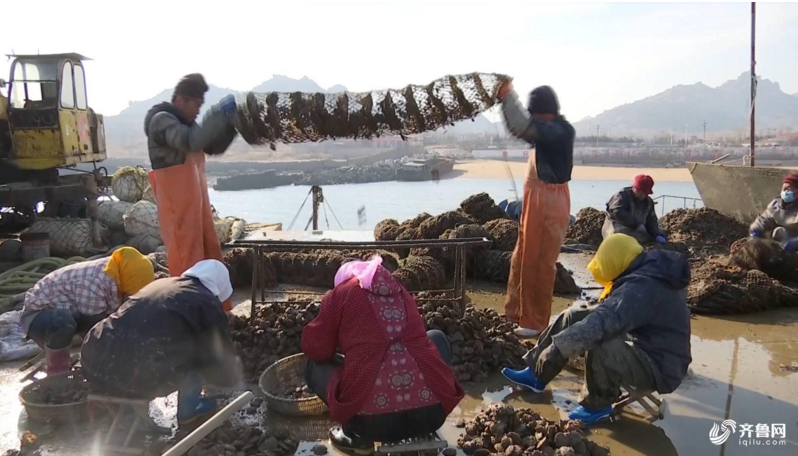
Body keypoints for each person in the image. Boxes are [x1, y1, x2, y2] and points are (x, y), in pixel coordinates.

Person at [501, 234, 692, 425]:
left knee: (600, 340)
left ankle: (597, 405)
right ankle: (536, 374)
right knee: (574, 316)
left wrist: (558, 346)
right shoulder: (649, 267)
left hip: (661, 364)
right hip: (646, 339)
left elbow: (602, 324)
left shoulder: (640, 287)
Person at [302, 257, 464, 455]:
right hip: (433, 415)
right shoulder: (401, 291)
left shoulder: (341, 293)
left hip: (371, 424)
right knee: (436, 337)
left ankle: (356, 437)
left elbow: (315, 348)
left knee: (314, 365)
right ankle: (424, 428)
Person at [81, 259, 241, 427]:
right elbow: (217, 352)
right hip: (136, 378)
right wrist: (230, 377)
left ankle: (126, 409)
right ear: (219, 286)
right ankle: (189, 410)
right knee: (198, 351)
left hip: (93, 361)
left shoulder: (161, 284)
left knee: (139, 345)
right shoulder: (206, 301)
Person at [144, 73, 238, 311]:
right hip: (178, 210)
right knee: (188, 263)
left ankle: (216, 314)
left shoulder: (186, 123)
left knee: (209, 256)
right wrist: (217, 114)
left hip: (196, 208)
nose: (198, 111)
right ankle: (188, 317)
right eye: (196, 104)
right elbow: (191, 142)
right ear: (180, 99)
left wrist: (232, 124)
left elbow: (212, 146)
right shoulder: (162, 121)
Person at [497, 82, 574, 337]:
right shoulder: (550, 129)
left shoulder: (559, 131)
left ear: (544, 112)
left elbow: (521, 126)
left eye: (535, 114)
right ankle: (517, 313)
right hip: (536, 200)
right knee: (523, 258)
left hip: (549, 201)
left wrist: (507, 97)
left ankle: (535, 323)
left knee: (539, 262)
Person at [19, 247, 154, 375]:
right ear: (130, 280)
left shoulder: (119, 273)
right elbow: (93, 329)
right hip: (38, 317)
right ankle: (57, 373)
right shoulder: (96, 281)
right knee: (63, 321)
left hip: (74, 312)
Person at [602, 174, 666, 245]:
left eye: (645, 193)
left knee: (660, 232)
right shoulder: (621, 196)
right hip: (617, 227)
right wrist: (637, 223)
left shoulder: (648, 202)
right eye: (641, 192)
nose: (643, 195)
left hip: (636, 229)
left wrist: (656, 234)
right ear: (635, 188)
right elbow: (617, 212)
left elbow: (652, 220)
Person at [750, 173, 798, 252]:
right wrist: (755, 230)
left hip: (795, 237)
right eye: (784, 189)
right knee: (778, 232)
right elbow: (765, 218)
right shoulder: (776, 204)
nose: (786, 192)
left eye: (789, 189)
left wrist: (795, 243)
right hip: (785, 236)